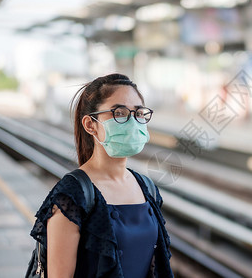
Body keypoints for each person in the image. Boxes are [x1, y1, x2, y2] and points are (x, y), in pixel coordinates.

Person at [29, 73, 174, 277]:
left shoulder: (146, 187)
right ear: (90, 125)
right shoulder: (73, 194)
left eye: (139, 113)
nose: (133, 122)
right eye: (120, 113)